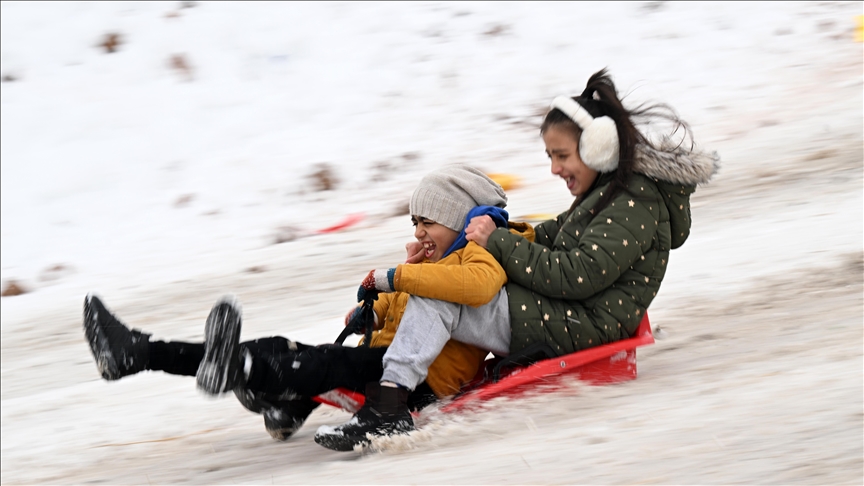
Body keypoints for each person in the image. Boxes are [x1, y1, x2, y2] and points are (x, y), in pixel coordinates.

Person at [315, 69, 720, 451]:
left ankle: (389, 405)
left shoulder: (632, 204)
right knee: (452, 284)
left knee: (440, 294)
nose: (554, 168)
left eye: (561, 155)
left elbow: (578, 275)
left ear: (599, 147)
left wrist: (502, 244)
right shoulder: (612, 196)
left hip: (586, 324)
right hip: (572, 313)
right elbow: (555, 235)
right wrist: (504, 233)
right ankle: (396, 383)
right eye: (549, 156)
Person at [82, 165, 530, 442]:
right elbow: (407, 316)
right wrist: (375, 309)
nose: (416, 233)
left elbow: (473, 290)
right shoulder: (433, 264)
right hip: (387, 359)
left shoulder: (475, 256)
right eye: (414, 222)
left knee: (317, 362)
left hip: (421, 380)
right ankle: (139, 353)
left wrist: (401, 275)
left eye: (426, 222)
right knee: (285, 347)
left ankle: (241, 373)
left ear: (459, 220)